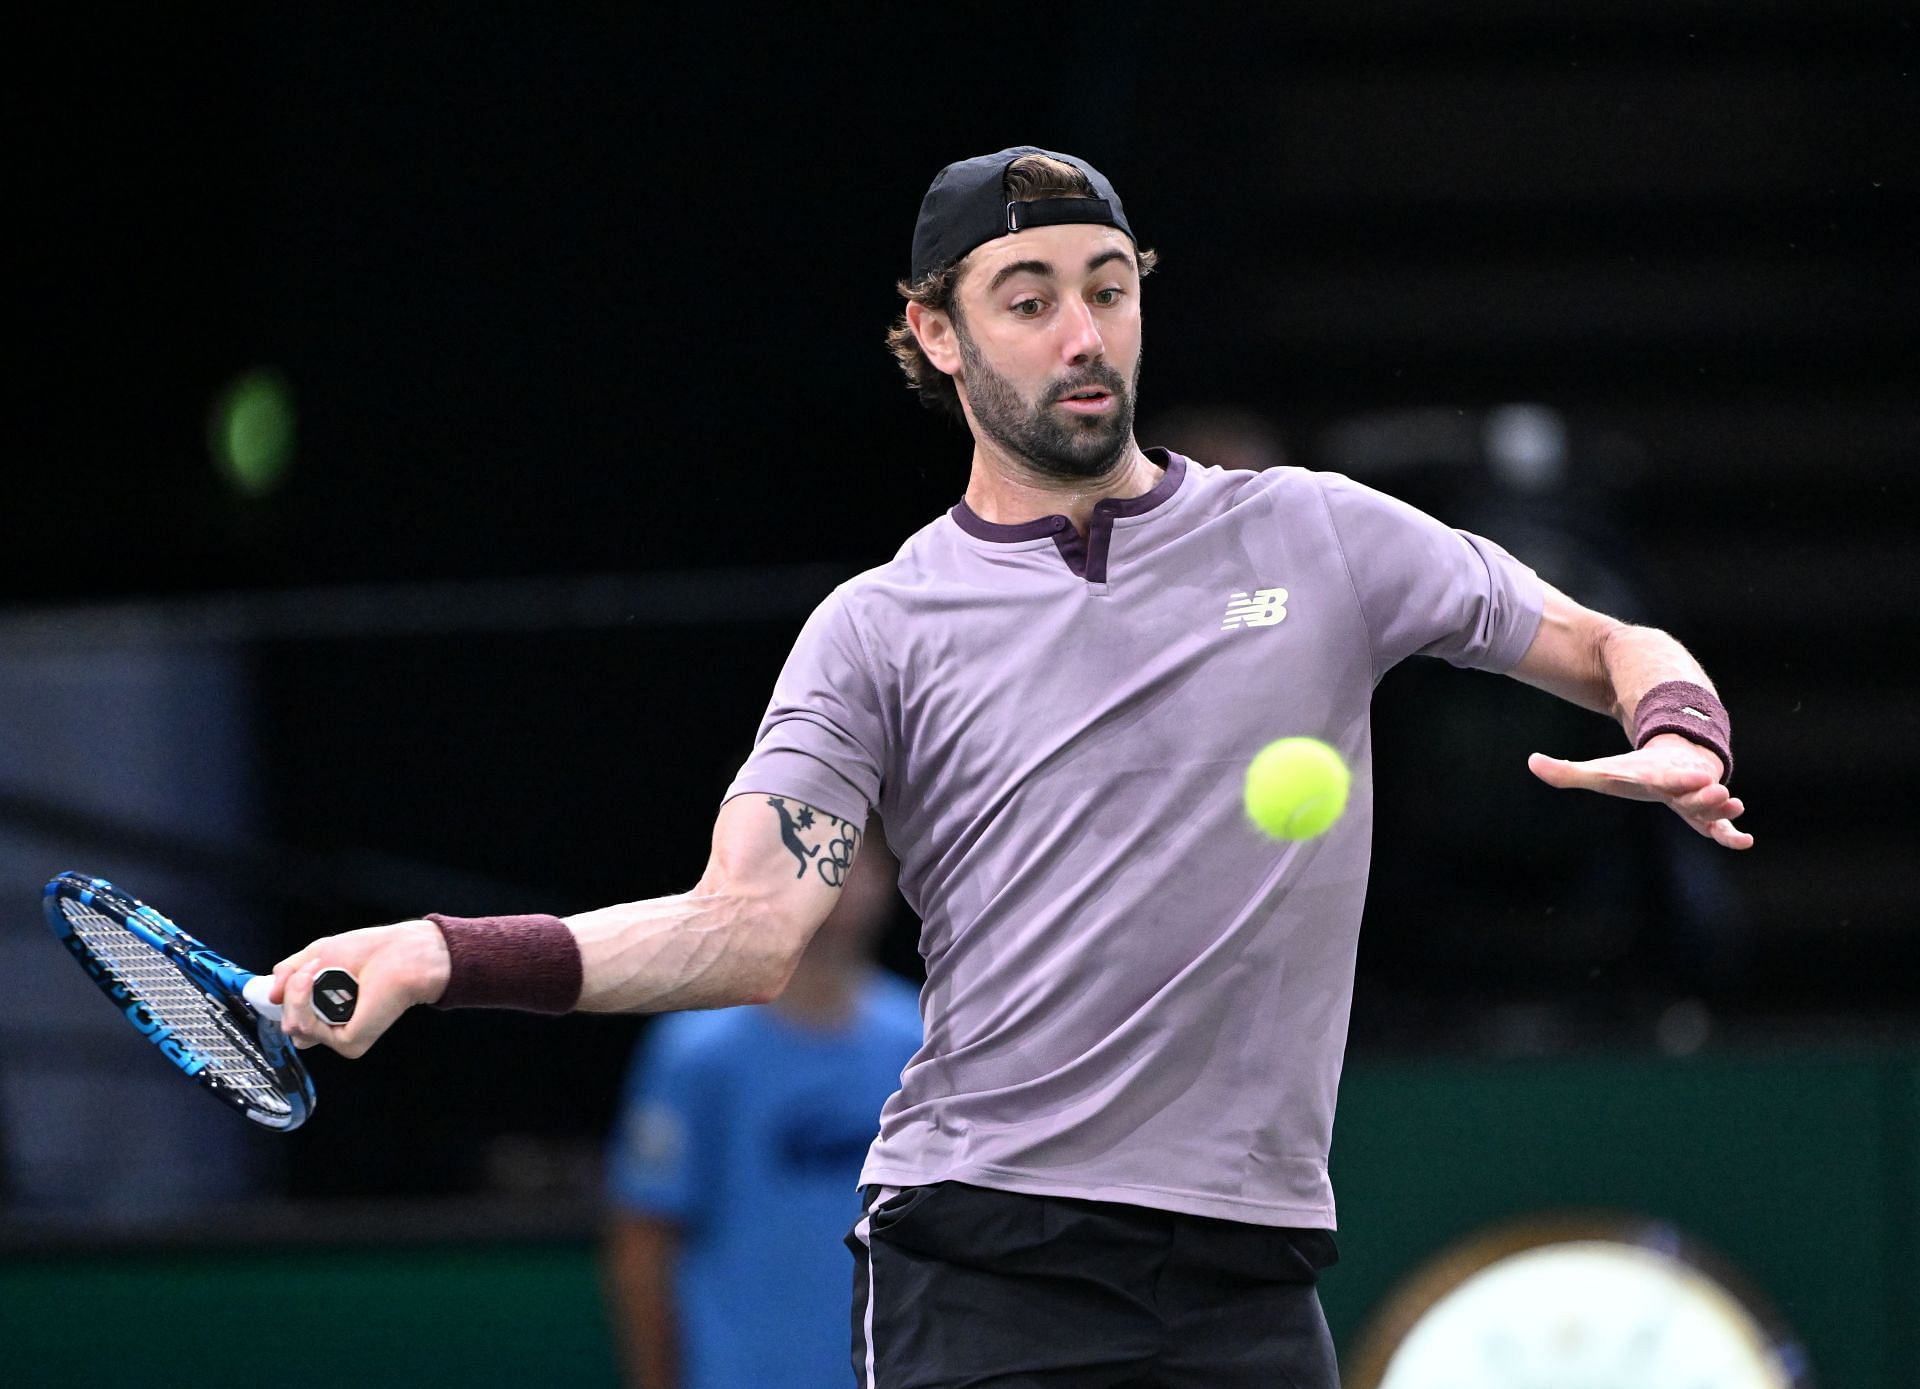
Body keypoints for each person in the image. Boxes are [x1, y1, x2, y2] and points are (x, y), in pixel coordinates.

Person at [272, 146, 1751, 1389]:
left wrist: (1680, 727)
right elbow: (741, 928)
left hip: (1249, 1269)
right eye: (1027, 299)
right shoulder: (879, 630)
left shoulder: (1321, 536)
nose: (1082, 335)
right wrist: (435, 953)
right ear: (934, 333)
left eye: (1108, 289)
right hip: (988, 1260)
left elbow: (1616, 640)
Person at [601, 823, 921, 1389]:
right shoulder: (695, 1055)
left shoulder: (924, 1044)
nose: (835, 876)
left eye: (853, 855)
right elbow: (643, 1240)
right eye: (810, 852)